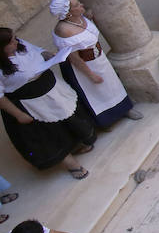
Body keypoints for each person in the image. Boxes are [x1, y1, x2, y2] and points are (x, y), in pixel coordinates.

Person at [0, 30, 94, 179]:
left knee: (67, 118)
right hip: (28, 101)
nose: (16, 42)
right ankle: (71, 164)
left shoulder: (20, 44)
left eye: (15, 38)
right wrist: (18, 115)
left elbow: (38, 51)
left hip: (50, 87)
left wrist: (51, 56)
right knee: (46, 134)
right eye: (11, 42)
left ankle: (77, 143)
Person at [50, 0, 138, 127]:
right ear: (68, 13)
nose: (81, 5)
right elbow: (74, 58)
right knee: (96, 91)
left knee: (112, 85)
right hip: (84, 65)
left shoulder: (80, 18)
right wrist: (90, 74)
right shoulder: (64, 30)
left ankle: (125, 109)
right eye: (76, 5)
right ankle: (107, 120)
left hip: (99, 58)